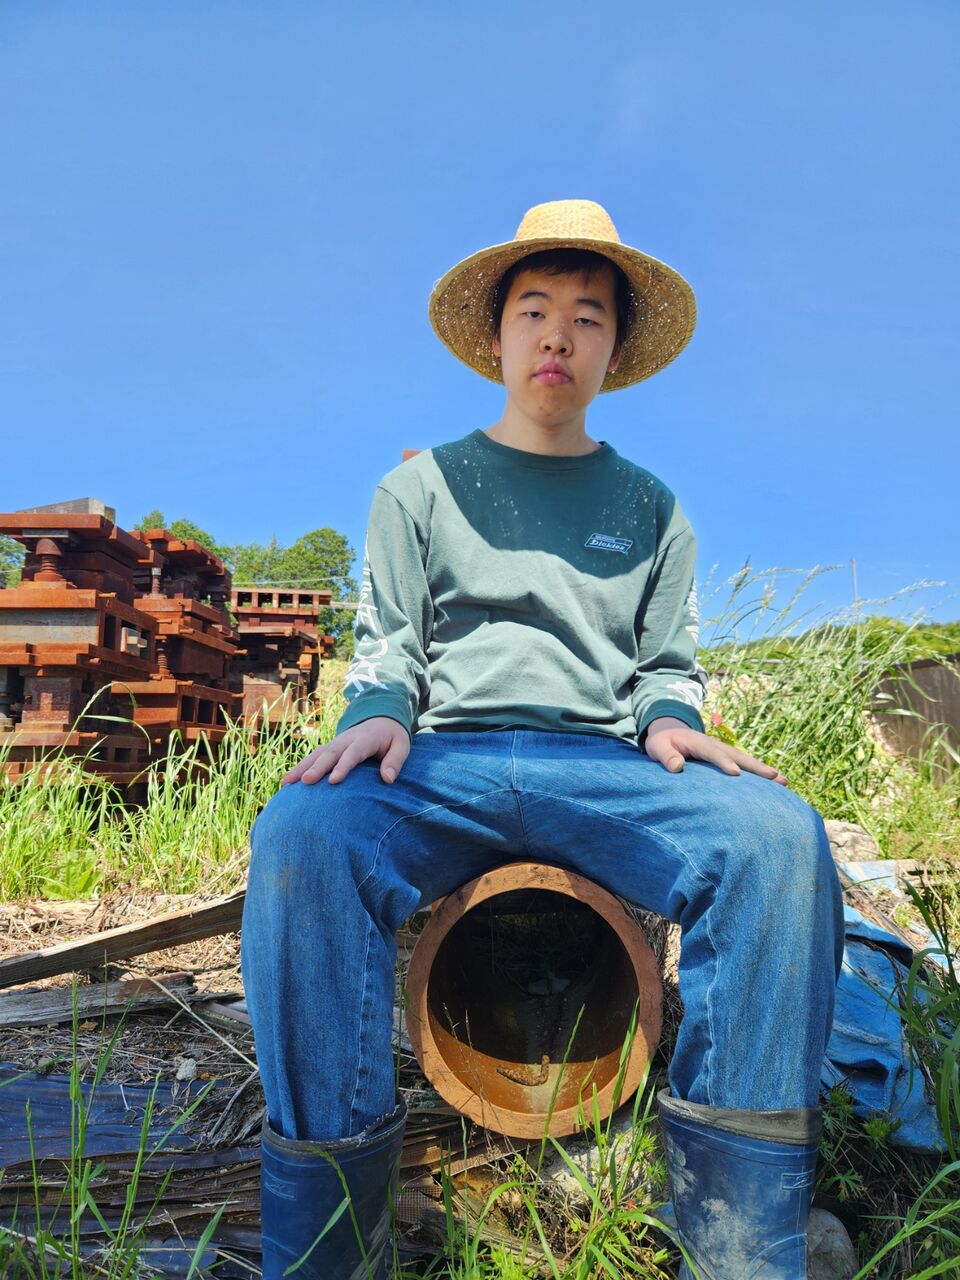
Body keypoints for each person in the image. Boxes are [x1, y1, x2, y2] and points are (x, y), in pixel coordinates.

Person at [241, 199, 844, 1280]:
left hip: (602, 766)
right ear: (496, 338)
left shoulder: (651, 508)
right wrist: (375, 711)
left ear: (615, 350)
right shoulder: (418, 488)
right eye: (533, 310)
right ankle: (329, 1250)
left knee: (777, 837)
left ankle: (741, 1244)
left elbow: (665, 666)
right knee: (302, 833)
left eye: (586, 316)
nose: (558, 334)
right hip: (440, 763)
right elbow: (389, 647)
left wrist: (673, 719)